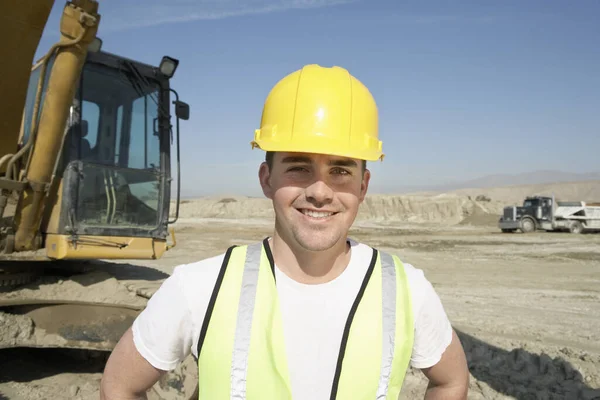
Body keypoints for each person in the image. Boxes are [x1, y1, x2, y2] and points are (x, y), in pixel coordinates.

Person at [100, 64, 469, 399]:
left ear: (363, 186)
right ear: (266, 178)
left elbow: (451, 381)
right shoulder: (199, 286)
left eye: (340, 170)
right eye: (298, 167)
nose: (320, 192)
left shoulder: (406, 290)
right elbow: (119, 386)